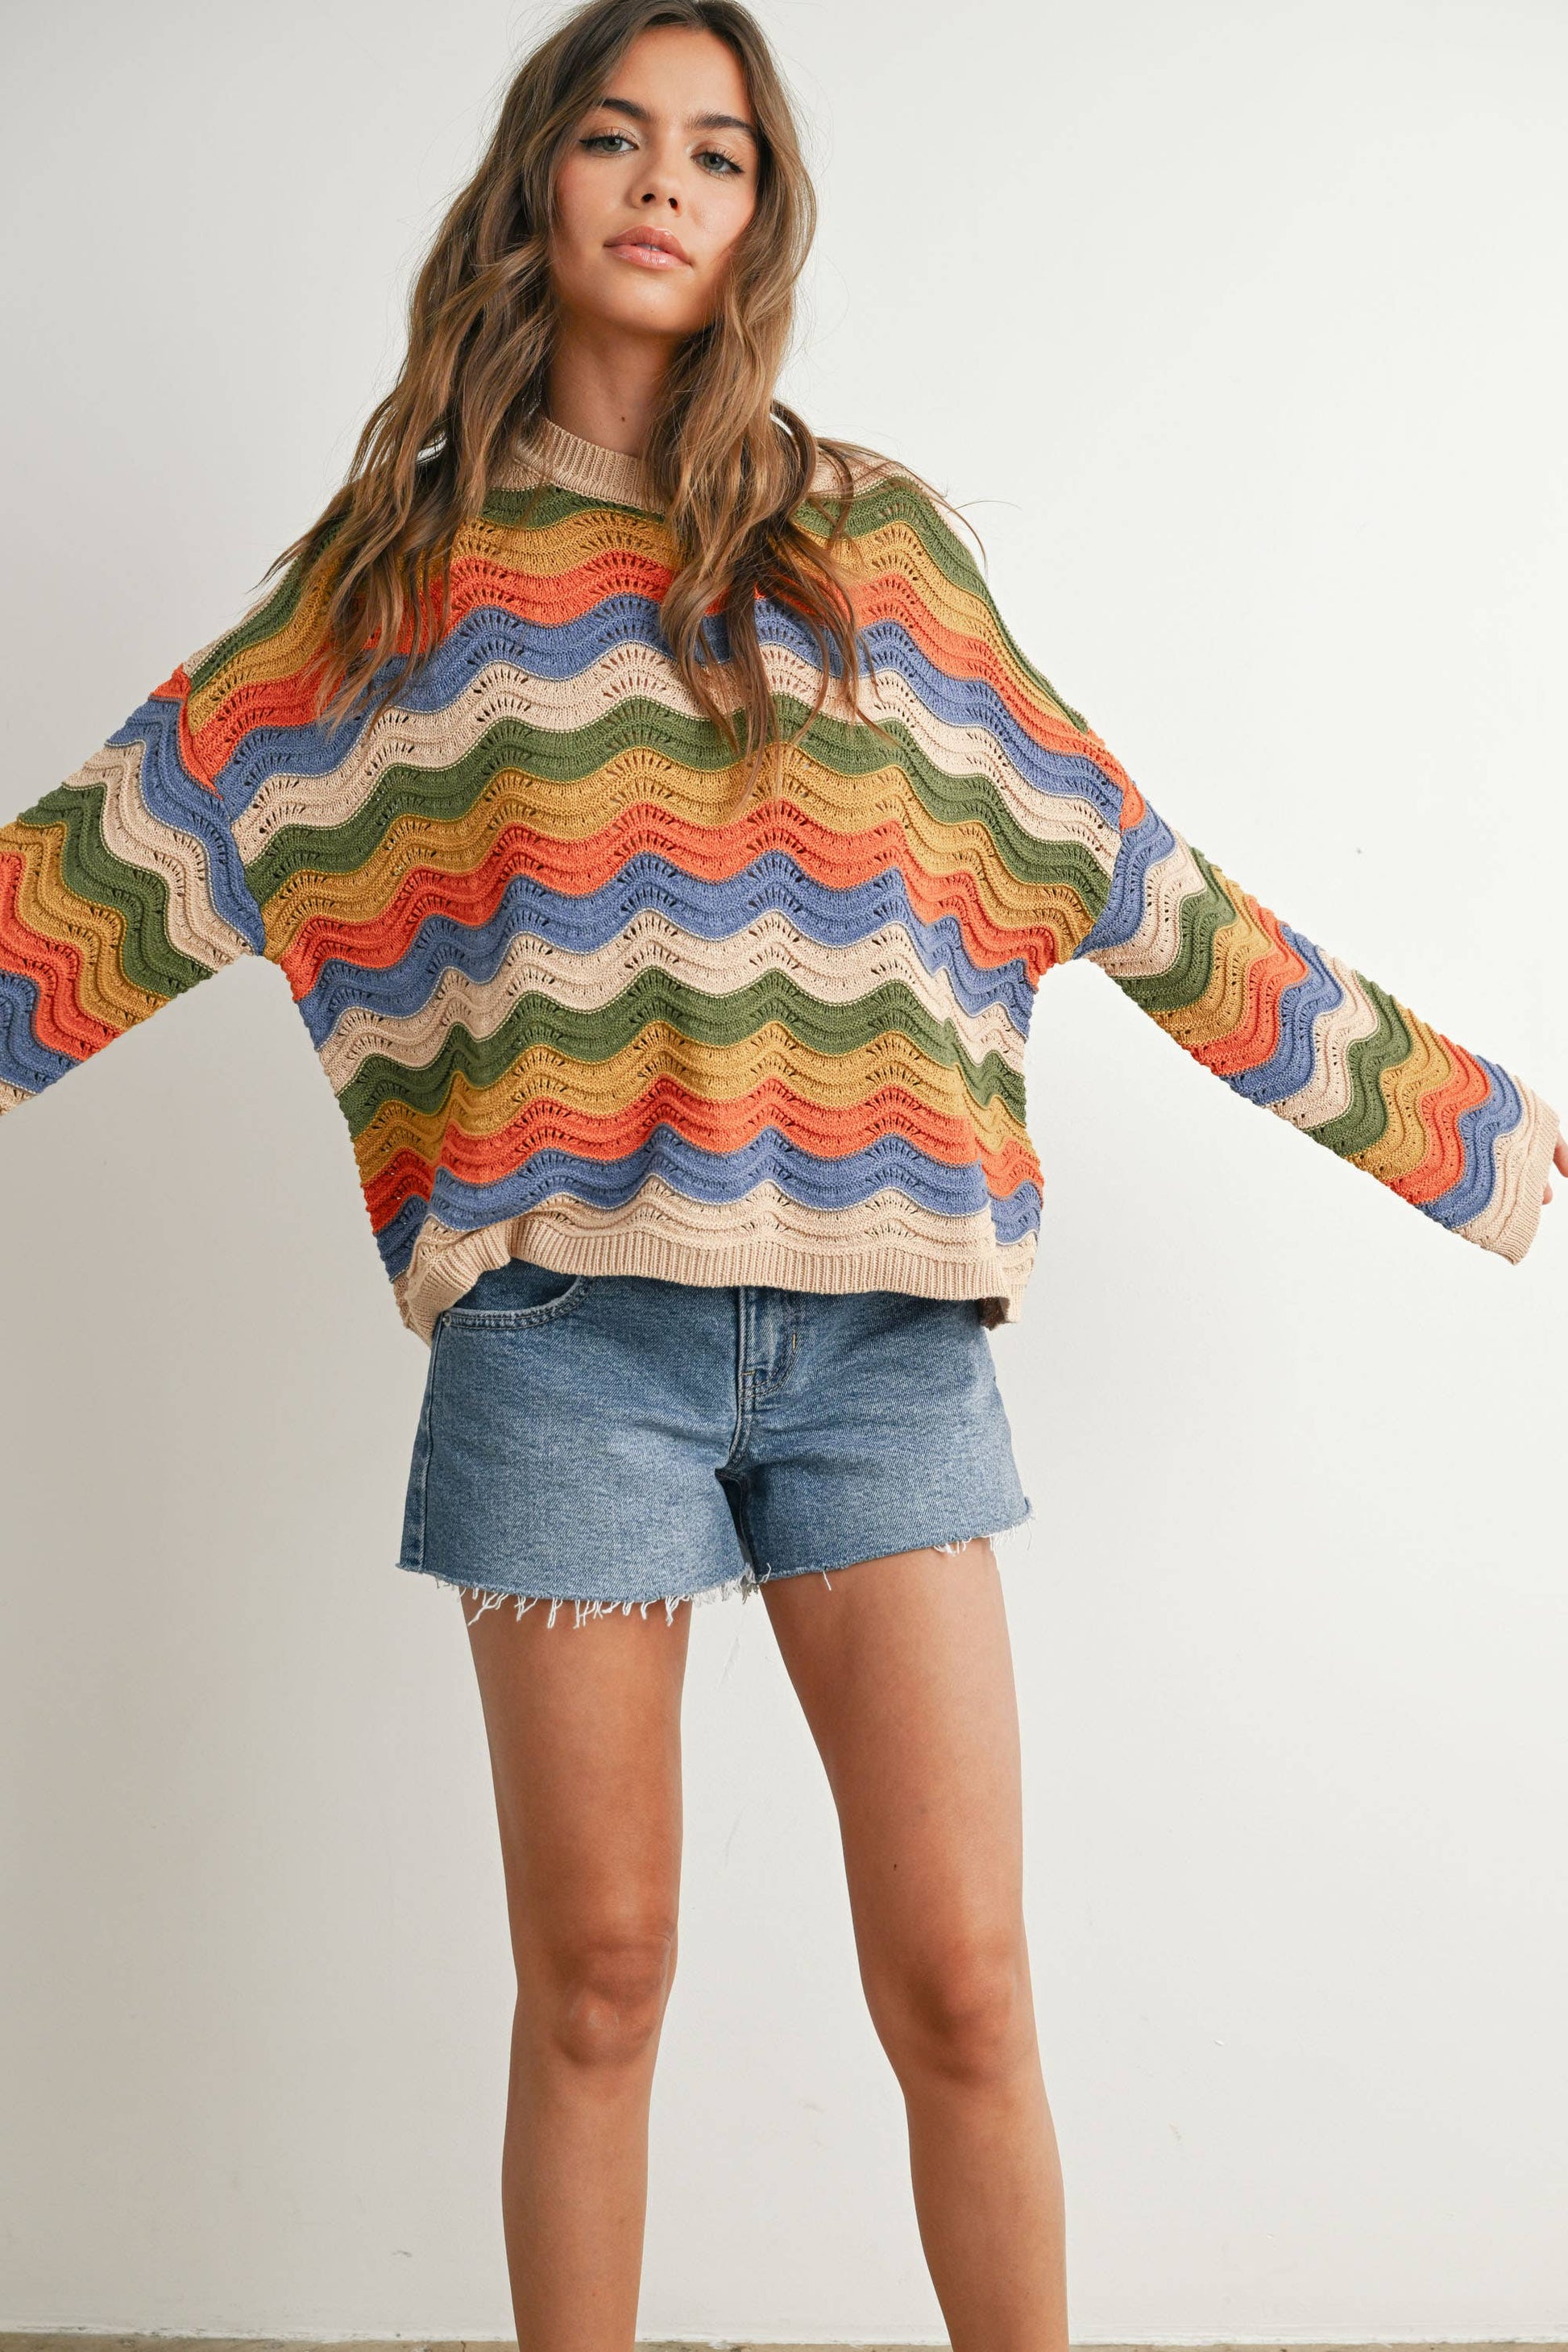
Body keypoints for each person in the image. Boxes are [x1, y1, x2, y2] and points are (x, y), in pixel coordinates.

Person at [2, 2, 1559, 2344]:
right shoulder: (398, 583)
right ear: (539, 178)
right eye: (616, 136)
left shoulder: (875, 554)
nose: (663, 181)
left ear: (760, 216)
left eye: (717, 151)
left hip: (884, 1345)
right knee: (599, 1980)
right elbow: (112, 859)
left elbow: (1128, 871)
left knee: (964, 1986)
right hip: (564, 1346)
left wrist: (1465, 1125)